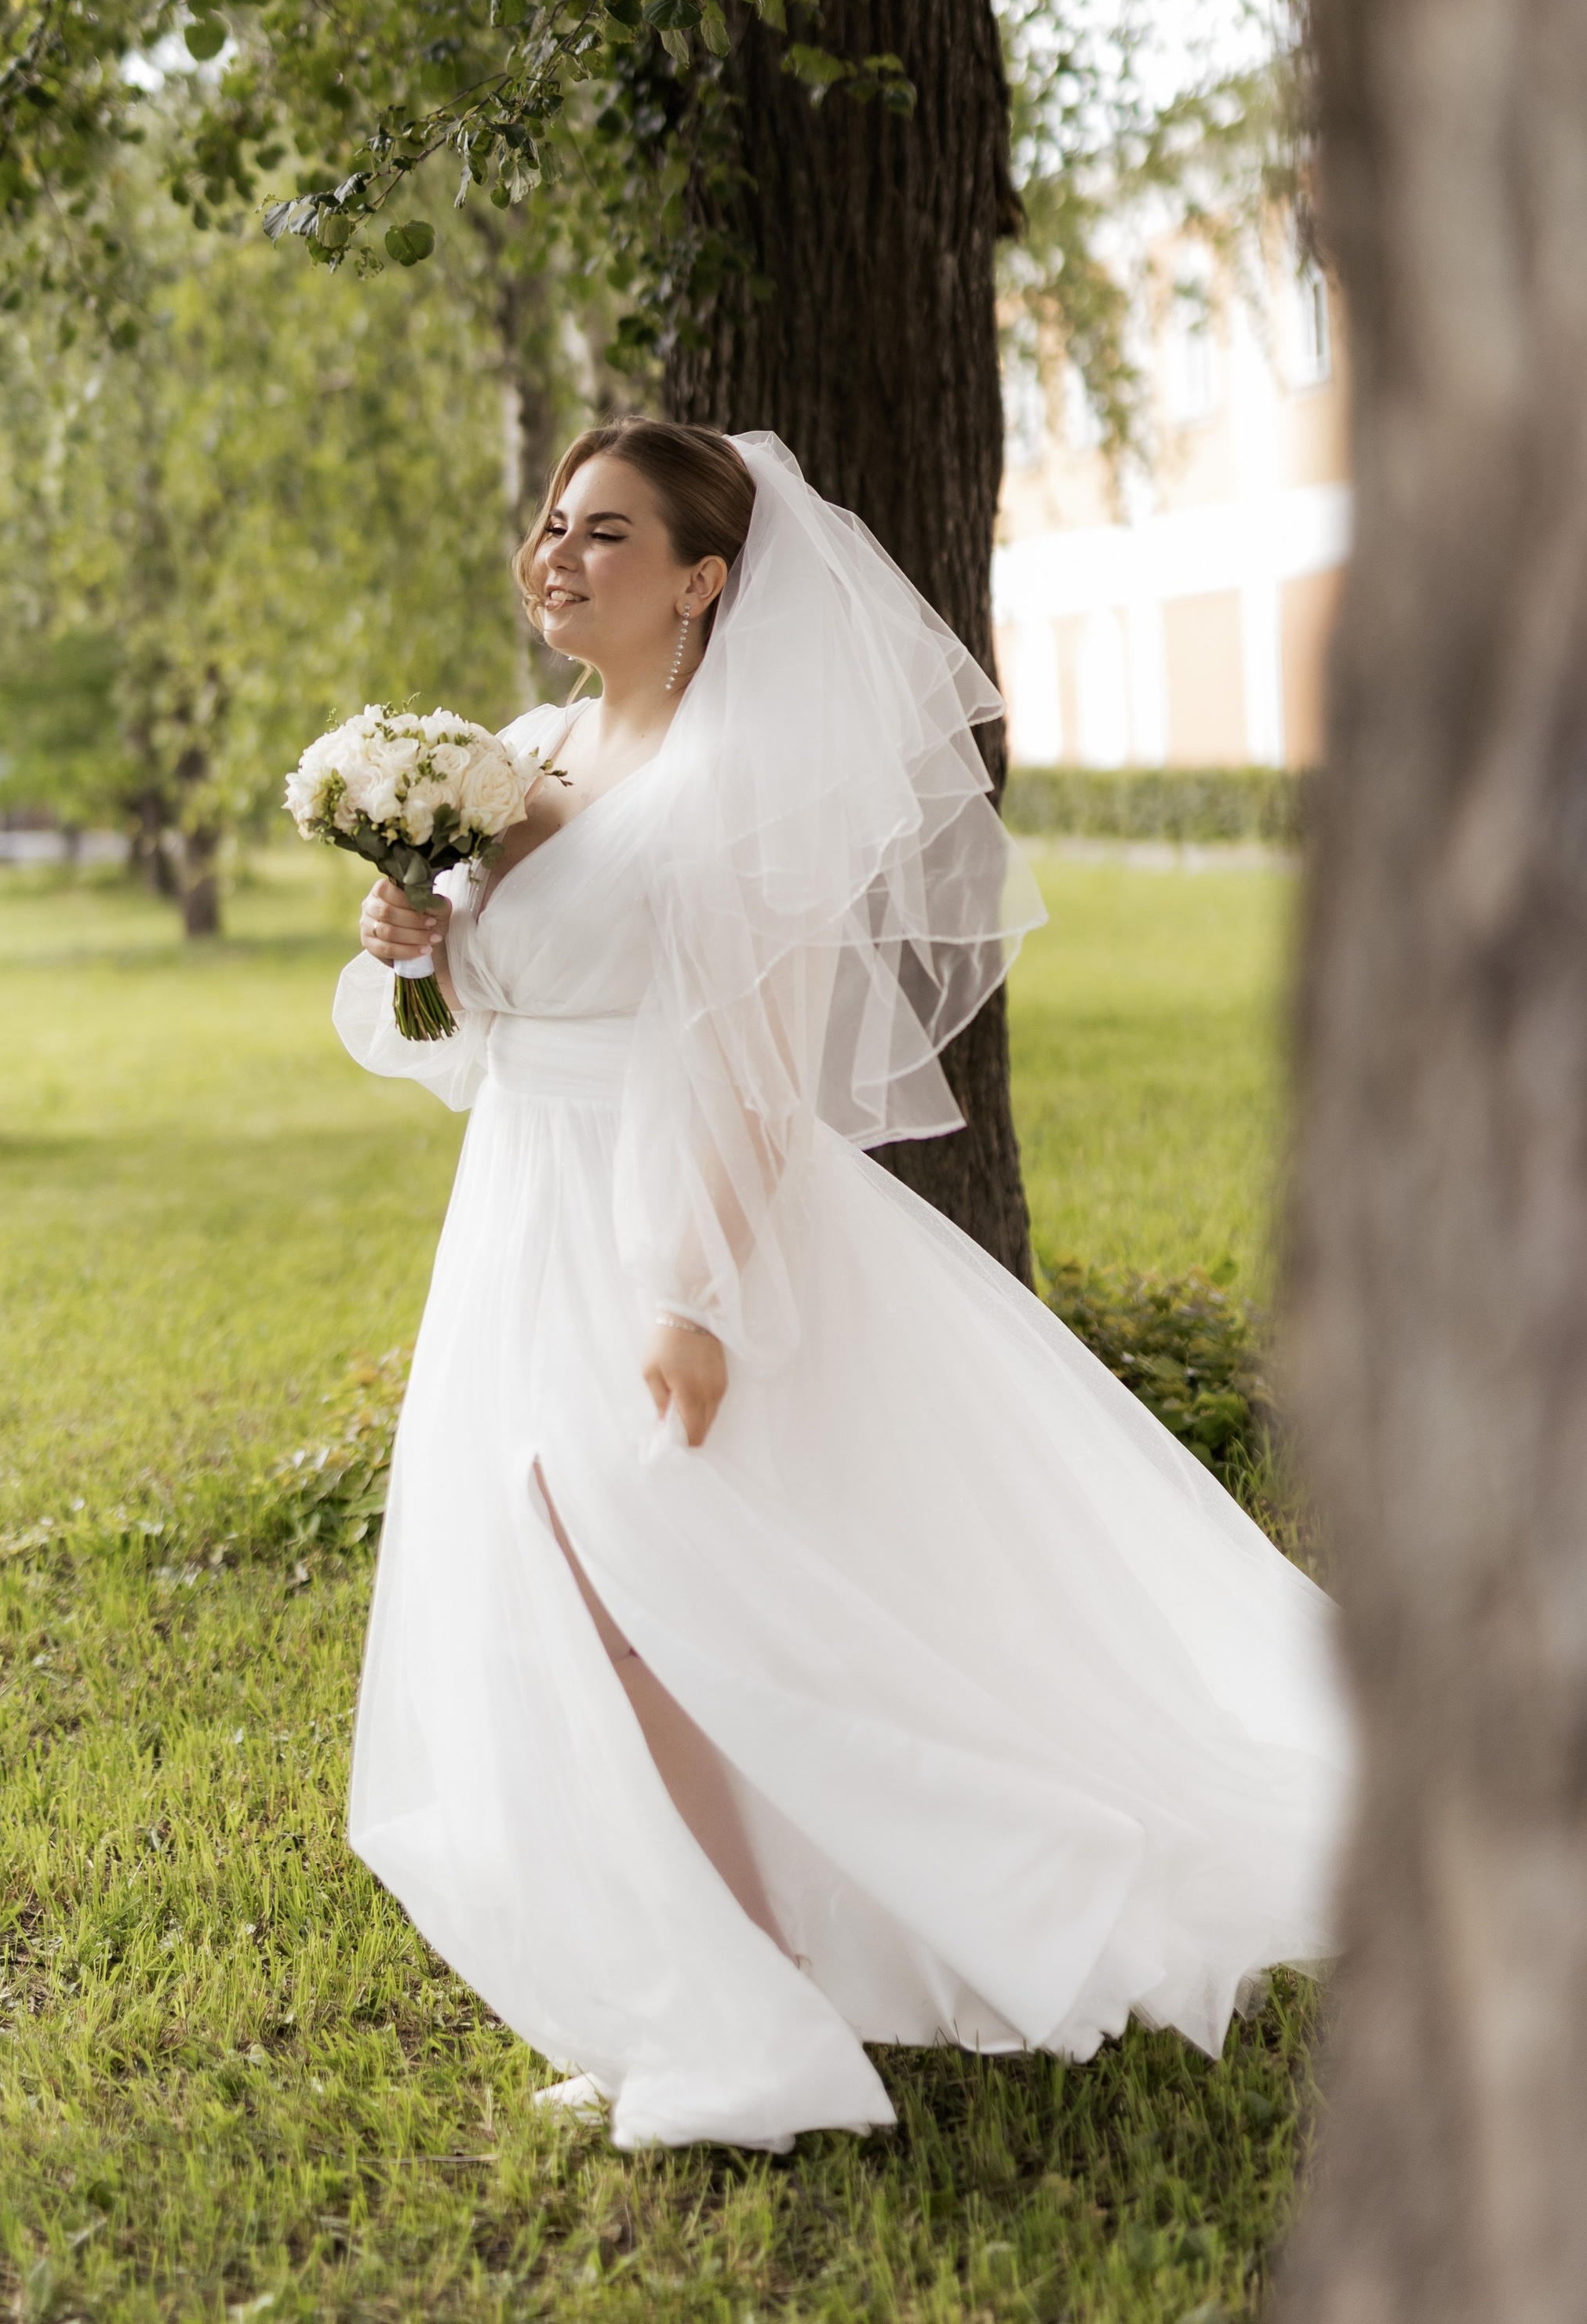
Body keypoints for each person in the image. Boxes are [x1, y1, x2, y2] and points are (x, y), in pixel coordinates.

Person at [334, 419, 1350, 2154]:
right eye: (550, 523)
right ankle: (716, 1977)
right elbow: (479, 1034)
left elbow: (751, 1064)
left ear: (701, 581)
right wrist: (415, 944)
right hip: (520, 1211)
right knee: (592, 1606)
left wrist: (696, 1295)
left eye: (603, 533)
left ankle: (780, 1994)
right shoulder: (517, 756)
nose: (553, 556)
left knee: (663, 1601)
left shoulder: (732, 787)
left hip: (673, 1217)